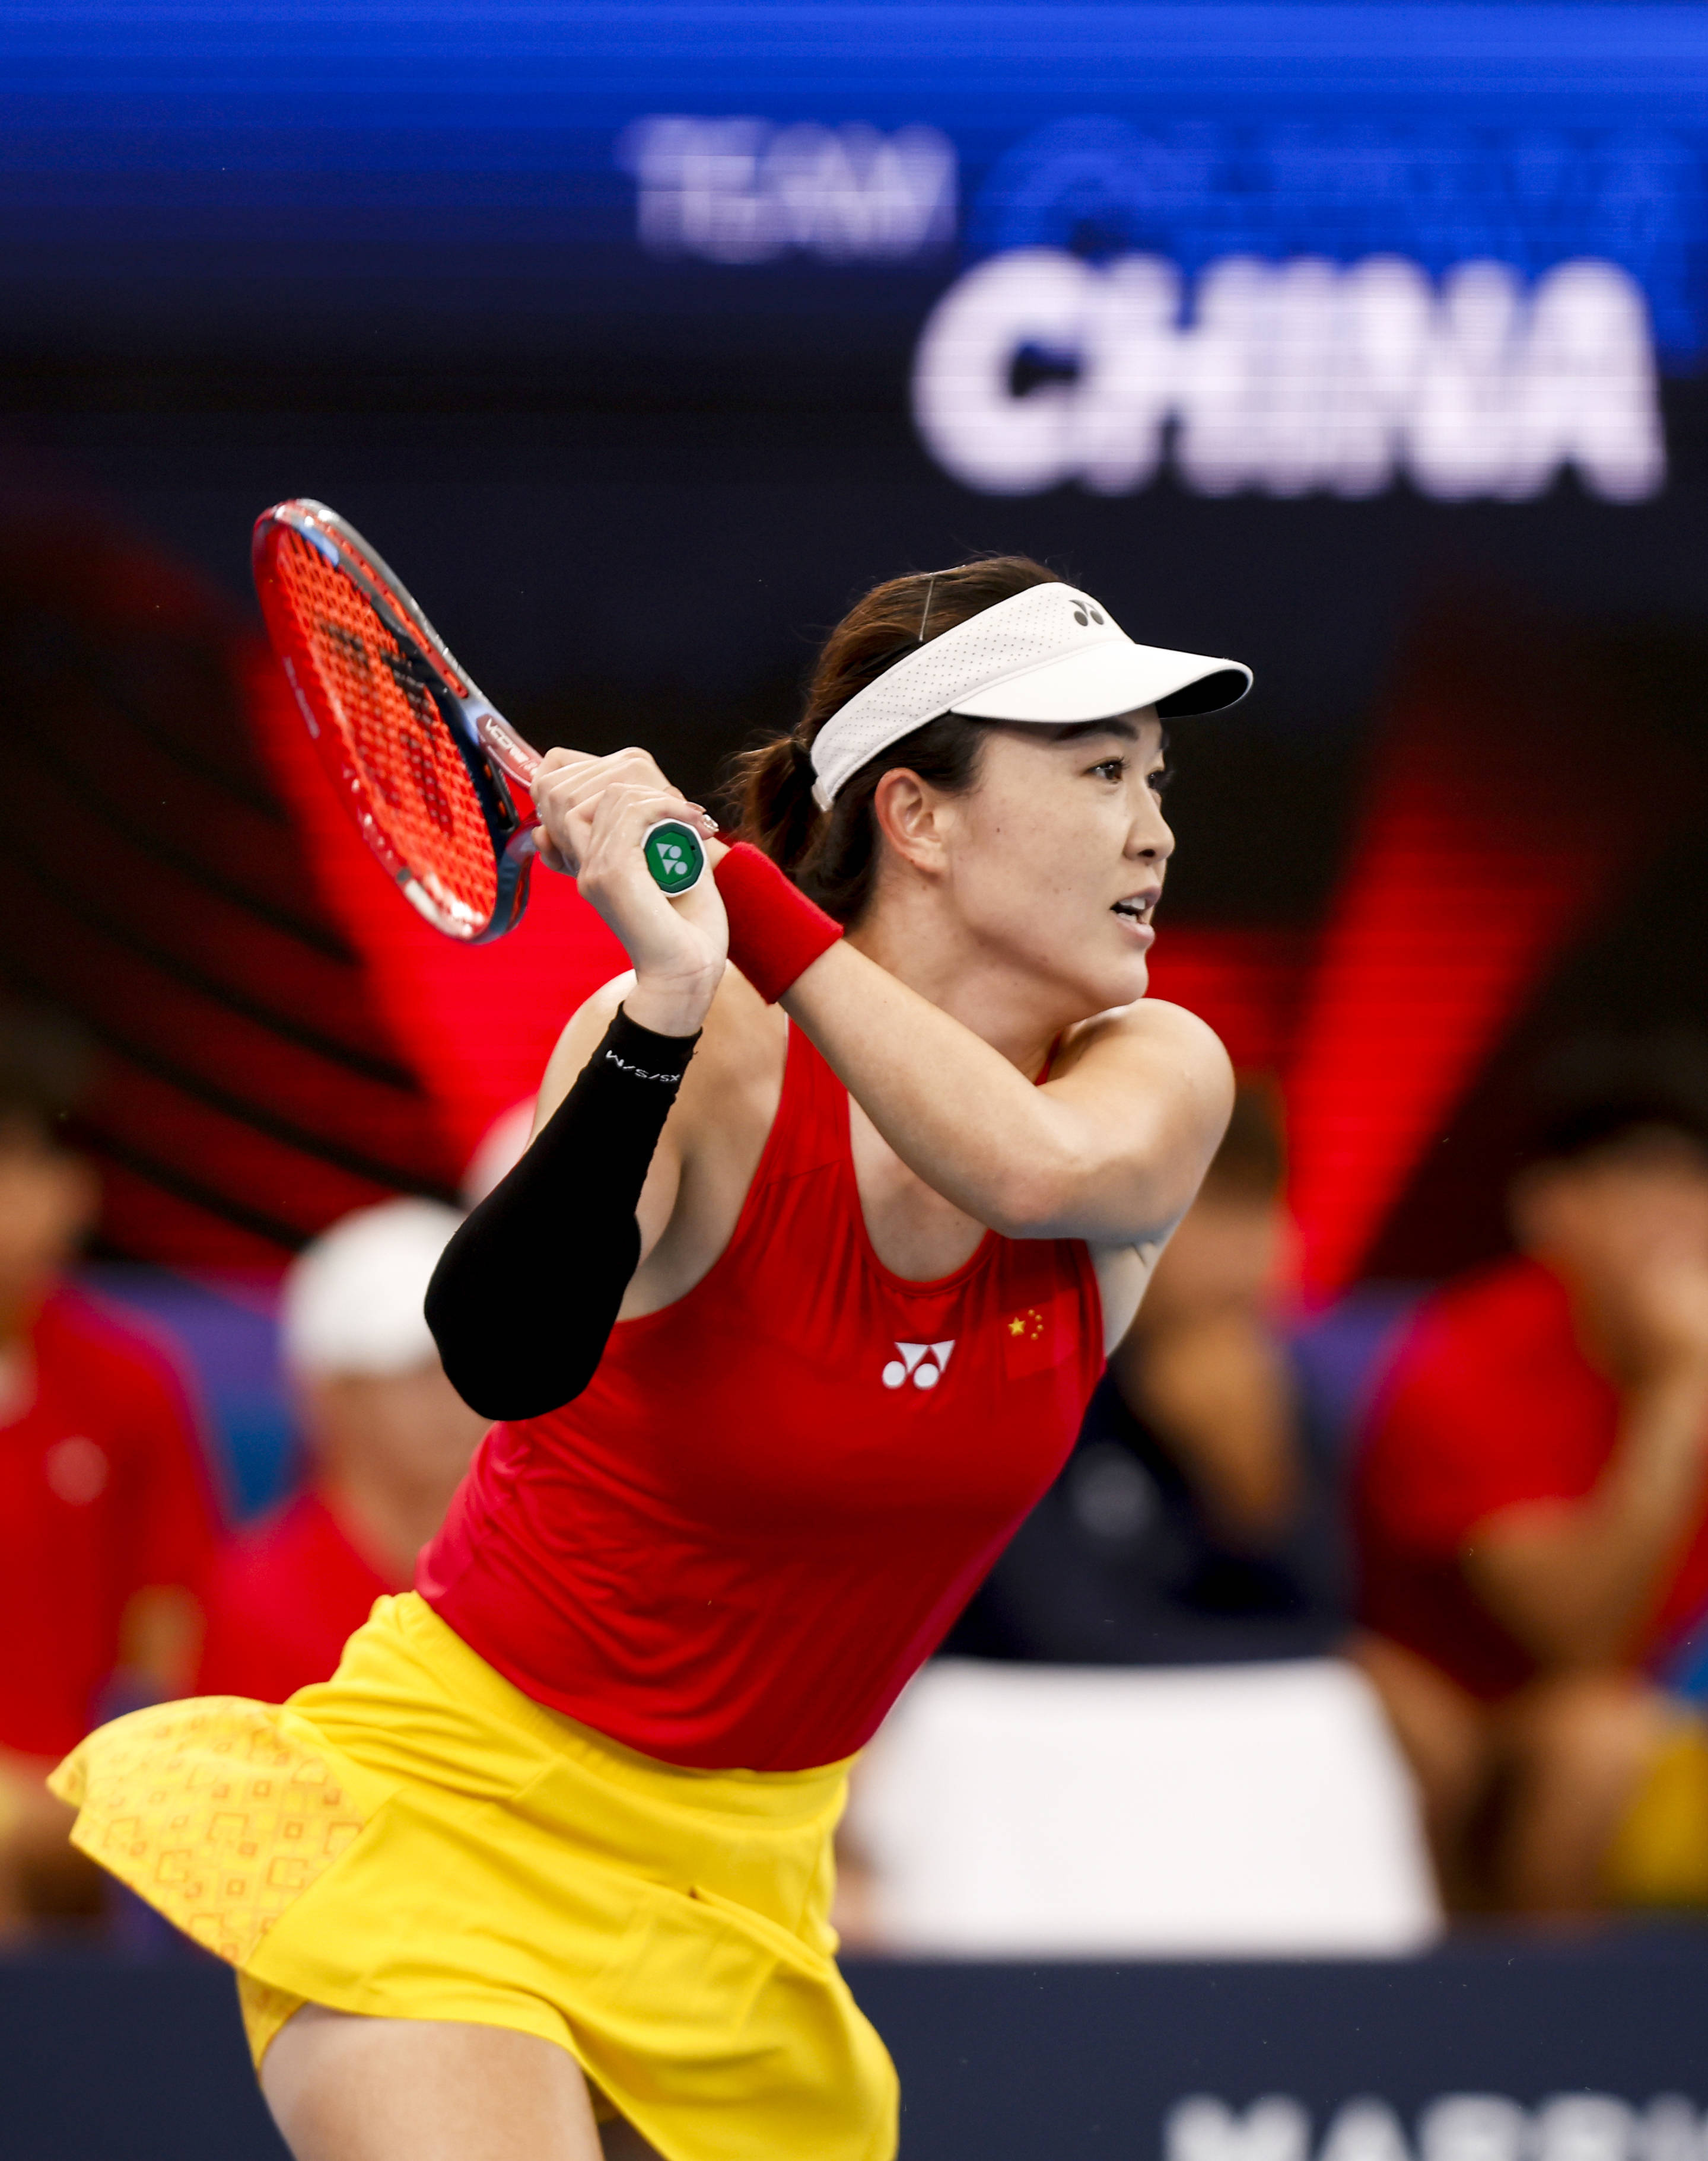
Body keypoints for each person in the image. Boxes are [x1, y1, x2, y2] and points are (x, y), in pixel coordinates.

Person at [53, 557, 1247, 2161]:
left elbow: (1026, 1168)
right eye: (1101, 771)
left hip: (746, 1891)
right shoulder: (704, 1048)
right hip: (458, 1813)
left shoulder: (1155, 1072)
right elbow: (498, 1354)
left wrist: (745, 905)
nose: (1153, 828)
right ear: (917, 816)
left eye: (1155, 778)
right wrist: (672, 999)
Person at [1353, 1033, 1708, 1918]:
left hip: (1629, 1691)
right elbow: (1575, 1638)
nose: (1677, 1215)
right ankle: (1510, 2002)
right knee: (1593, 1742)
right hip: (1439, 1695)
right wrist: (1681, 1396)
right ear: (1550, 1207)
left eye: (1703, 1180)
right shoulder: (1464, 1361)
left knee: (1607, 1728)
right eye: (1638, 1178)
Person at [947, 1081, 1346, 1665]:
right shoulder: (1014, 1363)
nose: (1260, 1251)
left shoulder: (1259, 1377)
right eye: (1221, 1210)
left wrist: (1255, 1496)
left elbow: (1318, 1616)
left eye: (1266, 1207)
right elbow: (1053, 1638)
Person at [0, 1007, 218, 1934]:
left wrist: (112, 1792)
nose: (30, 1199)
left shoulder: (129, 1381)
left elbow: (168, 1630)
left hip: (78, 1821)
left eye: (40, 1165)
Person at [196, 1200, 487, 1704]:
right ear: (332, 1397)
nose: (460, 1394)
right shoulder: (259, 1596)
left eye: (479, 1360)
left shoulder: (554, 1571)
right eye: (420, 1369)